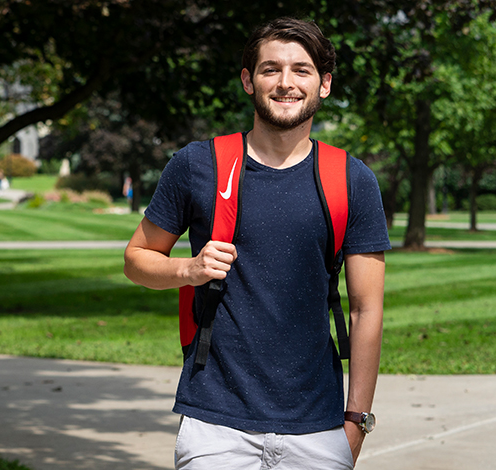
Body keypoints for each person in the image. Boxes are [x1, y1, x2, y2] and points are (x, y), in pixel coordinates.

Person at [123, 17, 391, 469]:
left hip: (319, 428)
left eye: (301, 70)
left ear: (324, 84)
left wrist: (356, 421)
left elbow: (367, 310)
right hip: (215, 427)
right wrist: (187, 269)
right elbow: (136, 259)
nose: (286, 82)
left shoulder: (352, 179)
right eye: (271, 69)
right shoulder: (197, 165)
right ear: (249, 81)